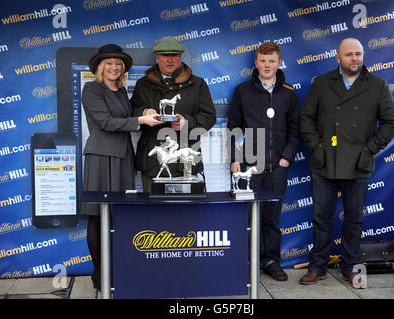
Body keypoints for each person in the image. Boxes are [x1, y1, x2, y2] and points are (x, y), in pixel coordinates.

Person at [298, 38, 394, 288]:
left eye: (358, 54)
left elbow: (390, 123)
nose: (354, 59)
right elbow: (305, 118)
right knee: (321, 218)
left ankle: (351, 268)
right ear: (338, 58)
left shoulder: (378, 85)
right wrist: (316, 146)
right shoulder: (321, 83)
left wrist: (369, 150)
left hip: (358, 163)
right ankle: (318, 266)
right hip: (324, 163)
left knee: (354, 219)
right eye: (349, 55)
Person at [81, 44, 162, 290]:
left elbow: (127, 119)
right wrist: (140, 119)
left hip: (123, 158)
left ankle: (116, 268)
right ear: (99, 67)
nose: (114, 67)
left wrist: (144, 111)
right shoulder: (92, 89)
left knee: (118, 217)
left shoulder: (120, 91)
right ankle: (99, 273)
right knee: (97, 217)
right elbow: (106, 122)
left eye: (118, 64)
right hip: (101, 158)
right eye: (109, 63)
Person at [227, 41, 300, 281]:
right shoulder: (242, 91)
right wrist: (236, 158)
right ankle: (247, 260)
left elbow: (294, 129)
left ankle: (270, 260)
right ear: (255, 63)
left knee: (272, 217)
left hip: (277, 166)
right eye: (262, 61)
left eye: (271, 61)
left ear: (279, 63)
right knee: (248, 217)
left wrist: (286, 158)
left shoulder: (289, 93)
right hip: (249, 166)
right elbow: (234, 127)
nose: (267, 65)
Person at [130, 37, 216, 191]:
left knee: (184, 214)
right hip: (152, 164)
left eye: (174, 55)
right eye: (165, 55)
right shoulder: (142, 84)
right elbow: (131, 111)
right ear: (157, 58)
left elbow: (209, 117)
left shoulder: (198, 84)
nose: (170, 60)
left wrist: (186, 123)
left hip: (185, 163)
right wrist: (144, 113)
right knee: (153, 213)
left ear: (180, 57)